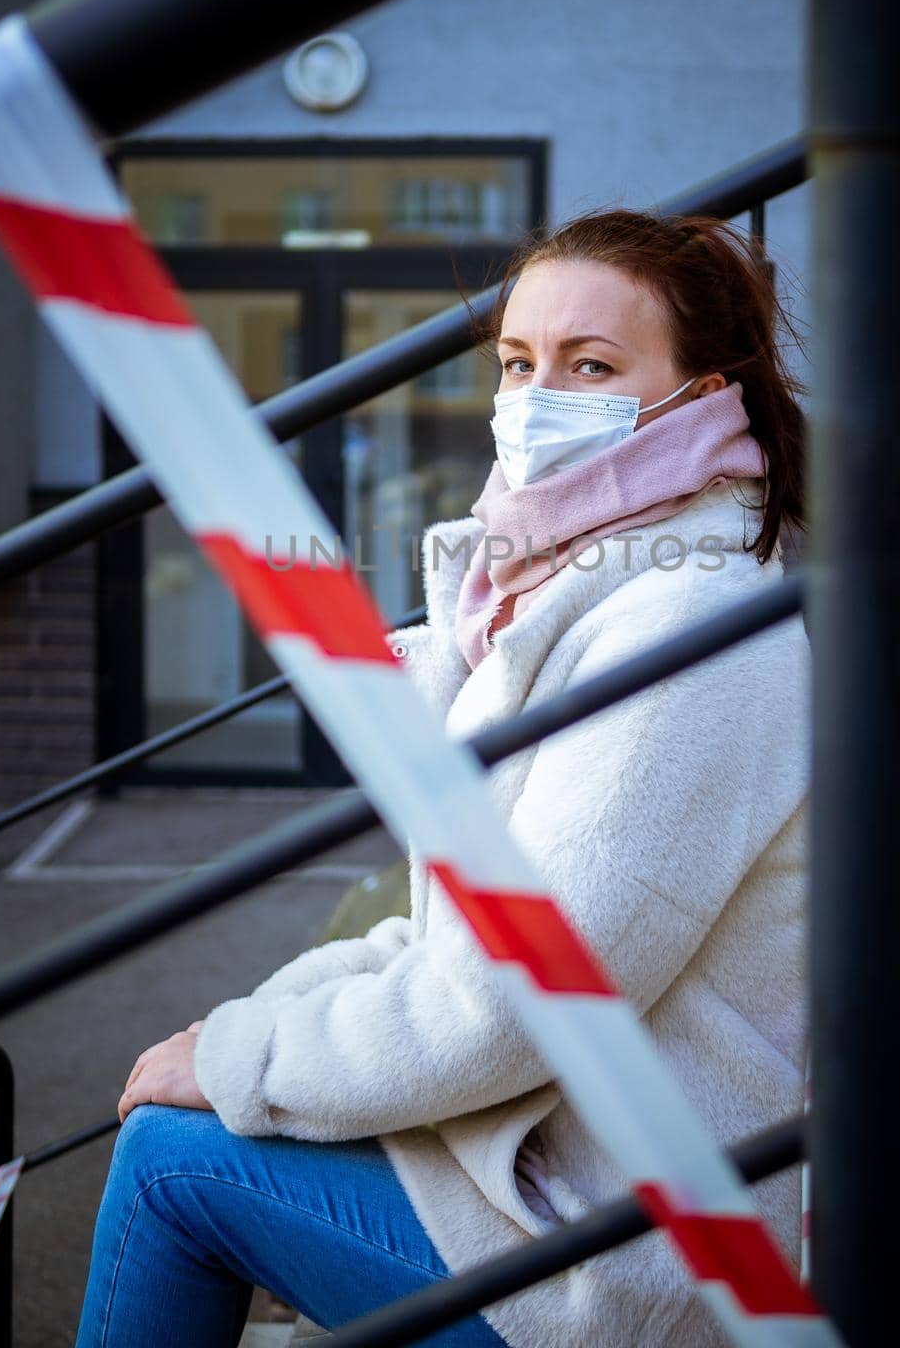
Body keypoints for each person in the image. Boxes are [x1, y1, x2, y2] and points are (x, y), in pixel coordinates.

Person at [74, 208, 812, 1348]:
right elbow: (450, 943)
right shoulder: (577, 594)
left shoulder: (686, 635)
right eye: (519, 363)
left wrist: (237, 1064)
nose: (536, 397)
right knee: (201, 1112)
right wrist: (243, 1030)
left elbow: (508, 1007)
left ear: (704, 392)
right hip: (556, 1183)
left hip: (621, 1268)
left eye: (592, 365)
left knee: (171, 1164)